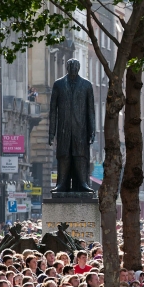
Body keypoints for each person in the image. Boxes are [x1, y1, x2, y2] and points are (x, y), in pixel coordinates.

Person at [48, 58, 96, 194]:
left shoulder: (87, 85)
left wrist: (92, 131)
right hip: (64, 128)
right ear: (67, 68)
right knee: (64, 155)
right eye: (71, 68)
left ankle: (82, 183)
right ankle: (61, 183)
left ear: (79, 68)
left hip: (80, 128)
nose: (73, 70)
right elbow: (53, 110)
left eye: (75, 68)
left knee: (80, 155)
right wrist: (52, 133)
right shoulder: (58, 84)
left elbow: (91, 110)